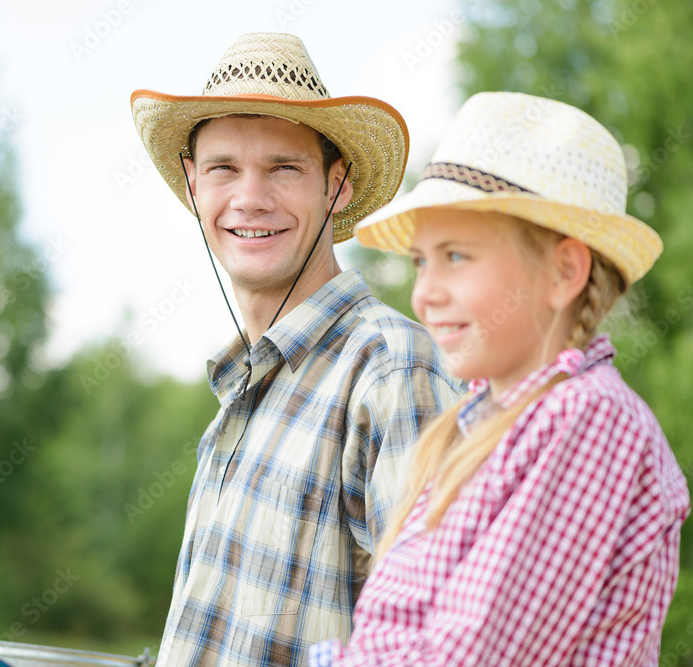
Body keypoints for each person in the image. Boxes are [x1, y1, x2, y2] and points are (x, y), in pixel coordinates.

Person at [310, 91, 691, 666]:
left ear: (564, 272)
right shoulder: (479, 423)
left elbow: (468, 655)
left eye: (457, 257)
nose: (425, 292)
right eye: (421, 261)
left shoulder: (590, 419)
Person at [131, 33, 462, 666]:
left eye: (284, 167)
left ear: (335, 187)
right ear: (194, 183)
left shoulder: (390, 370)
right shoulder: (243, 389)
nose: (250, 198)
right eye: (225, 167)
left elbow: (437, 644)